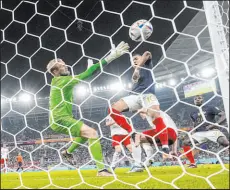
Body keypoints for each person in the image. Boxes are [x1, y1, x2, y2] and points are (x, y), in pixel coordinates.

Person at [47, 41, 129, 176]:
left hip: (60, 119)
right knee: (92, 133)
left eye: (64, 62)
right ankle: (101, 170)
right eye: (61, 65)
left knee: (85, 135)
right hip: (60, 119)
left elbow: (85, 76)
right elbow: (86, 75)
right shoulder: (61, 80)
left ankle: (67, 152)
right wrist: (111, 57)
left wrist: (89, 72)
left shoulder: (62, 81)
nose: (65, 65)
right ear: (55, 71)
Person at [108, 51, 169, 153]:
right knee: (113, 108)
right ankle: (132, 132)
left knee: (156, 116)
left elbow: (147, 53)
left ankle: (165, 145)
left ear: (141, 59)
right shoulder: (132, 77)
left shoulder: (147, 65)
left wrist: (137, 69)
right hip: (134, 96)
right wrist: (138, 110)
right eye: (132, 60)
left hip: (148, 95)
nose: (134, 60)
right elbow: (133, 104)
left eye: (136, 58)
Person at [182, 94, 229, 168]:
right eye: (195, 99)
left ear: (202, 100)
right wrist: (193, 132)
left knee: (225, 143)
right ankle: (193, 164)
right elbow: (195, 123)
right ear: (193, 101)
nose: (197, 99)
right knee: (185, 142)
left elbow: (224, 115)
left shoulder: (210, 108)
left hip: (211, 131)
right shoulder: (192, 112)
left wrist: (215, 124)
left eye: (199, 98)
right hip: (199, 133)